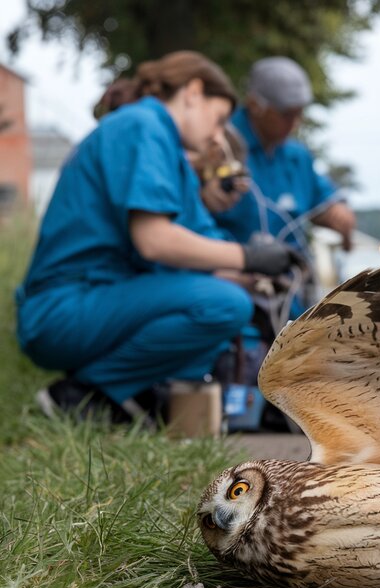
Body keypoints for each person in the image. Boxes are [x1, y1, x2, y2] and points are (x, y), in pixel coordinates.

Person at [16, 51, 298, 421]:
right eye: (219, 120)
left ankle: (121, 395)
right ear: (193, 92)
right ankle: (85, 394)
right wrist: (248, 258)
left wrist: (259, 277)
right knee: (223, 305)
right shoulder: (143, 126)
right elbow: (155, 241)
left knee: (231, 299)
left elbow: (202, 250)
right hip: (61, 310)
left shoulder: (168, 152)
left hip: (97, 302)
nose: (218, 135)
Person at [204, 57, 356, 254]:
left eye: (299, 113)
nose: (295, 122)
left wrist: (337, 213)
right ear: (254, 104)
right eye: (286, 114)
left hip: (291, 274)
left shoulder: (298, 157)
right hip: (230, 270)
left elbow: (324, 203)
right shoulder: (217, 143)